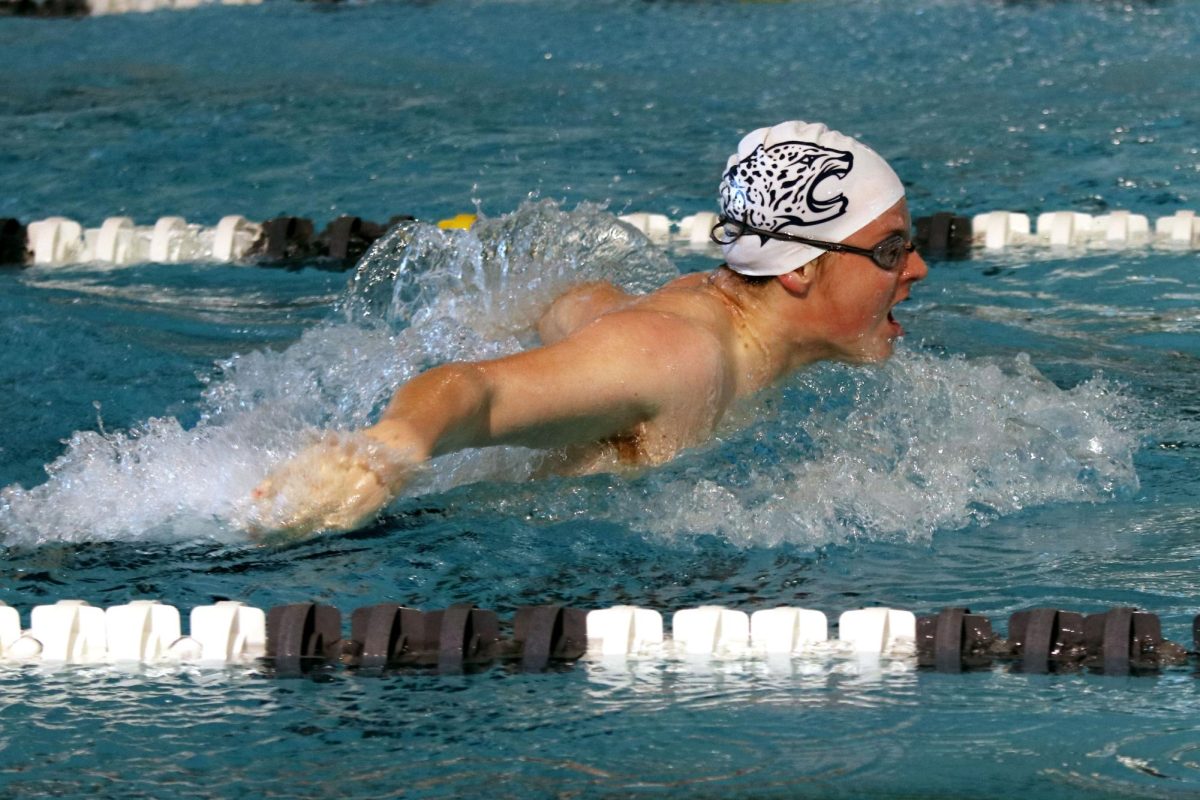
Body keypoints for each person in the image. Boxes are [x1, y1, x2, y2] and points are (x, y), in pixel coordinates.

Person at [247, 121, 929, 537]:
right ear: (798, 269)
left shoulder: (703, 314)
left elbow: (589, 304)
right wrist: (388, 448)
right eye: (892, 250)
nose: (920, 268)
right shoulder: (677, 355)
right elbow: (473, 389)